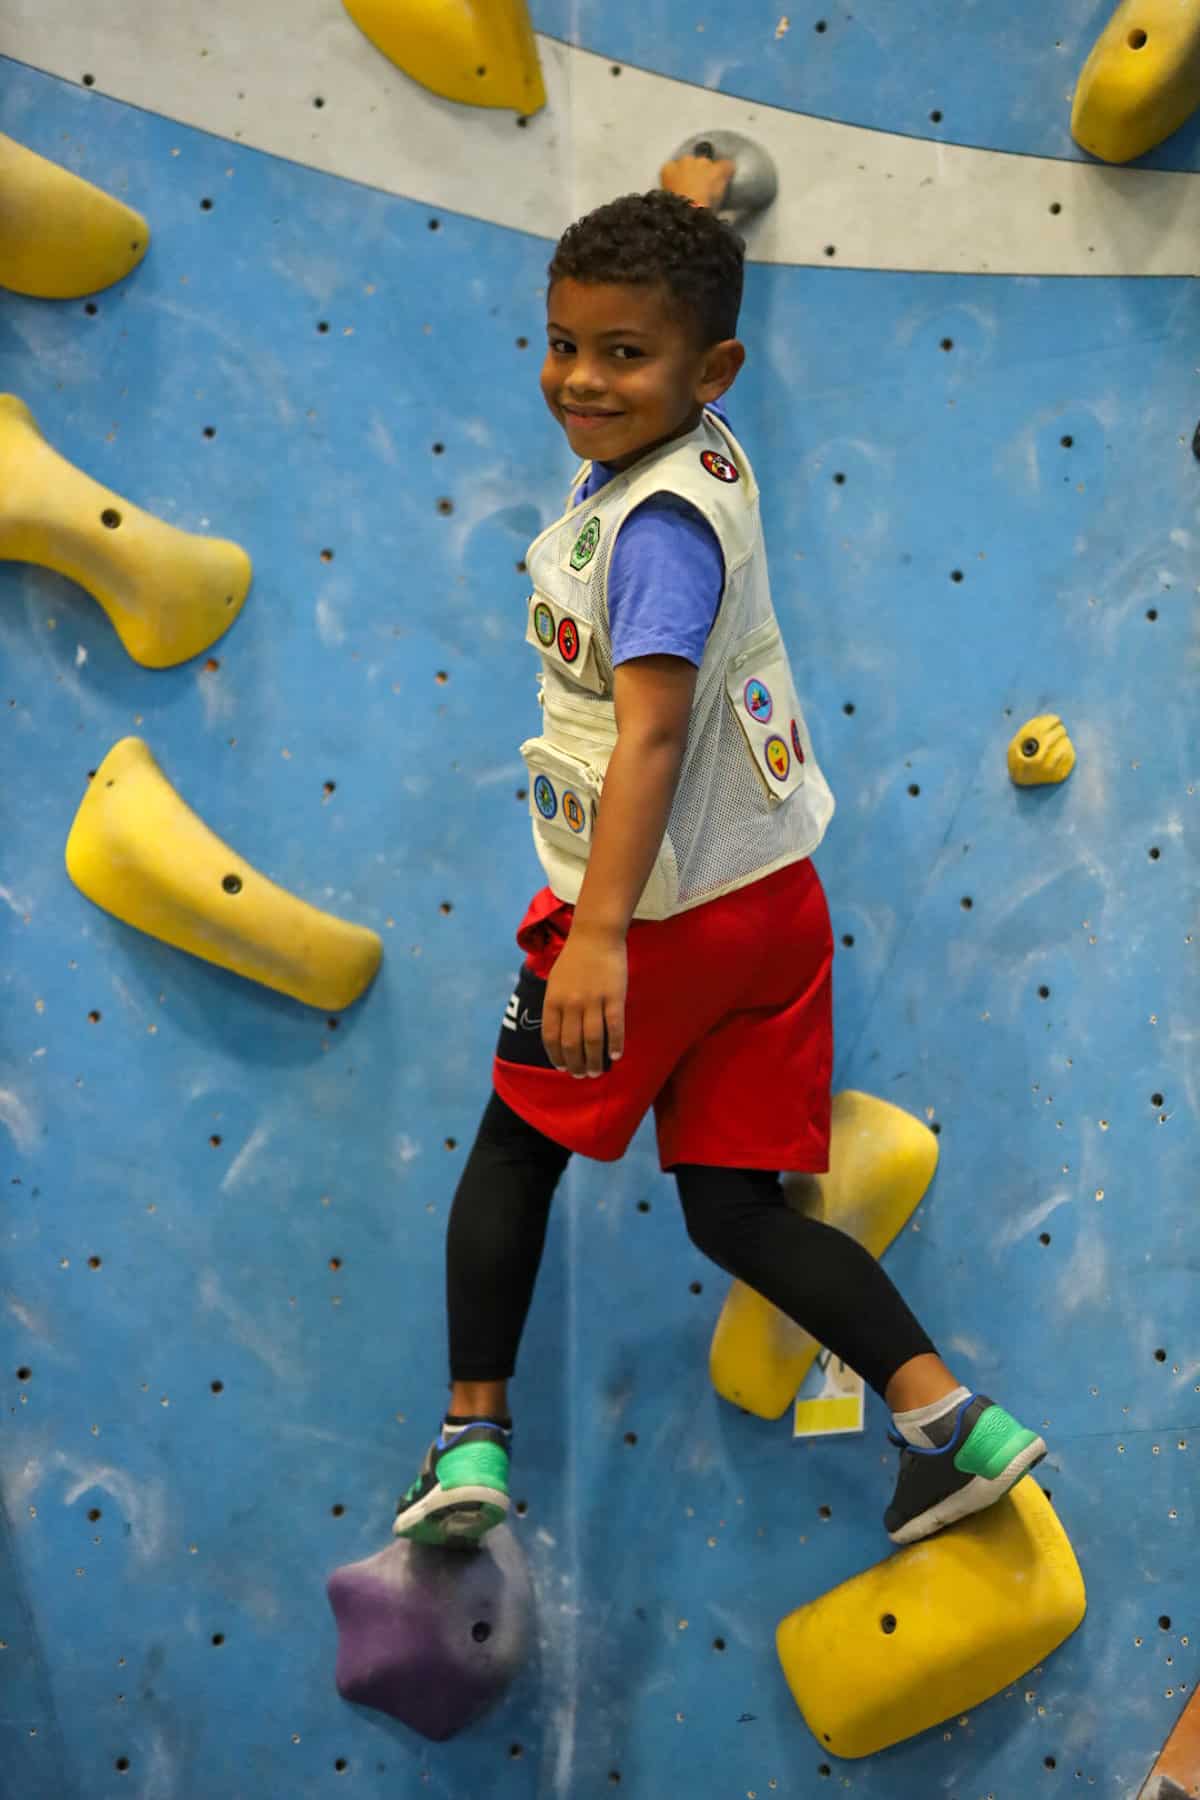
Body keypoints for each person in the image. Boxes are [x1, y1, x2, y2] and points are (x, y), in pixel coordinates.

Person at [394, 154, 1045, 1554]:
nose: (581, 379)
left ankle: (469, 1443)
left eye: (623, 355)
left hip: (662, 918)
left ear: (714, 369)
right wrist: (690, 199)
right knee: (736, 1213)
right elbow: (658, 307)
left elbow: (647, 739)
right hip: (772, 909)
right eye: (564, 344)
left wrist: (602, 937)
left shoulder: (656, 537)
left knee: (517, 1146)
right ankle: (952, 1422)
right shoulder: (695, 446)